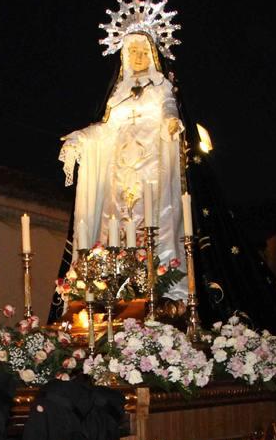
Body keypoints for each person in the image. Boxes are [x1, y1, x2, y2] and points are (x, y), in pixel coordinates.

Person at [60, 29, 185, 295]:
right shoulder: (120, 92)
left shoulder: (160, 86)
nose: (138, 56)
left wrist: (170, 121)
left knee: (151, 222)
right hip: (121, 173)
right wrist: (82, 137)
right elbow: (107, 129)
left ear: (152, 54)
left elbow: (168, 108)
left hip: (151, 169)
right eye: (132, 52)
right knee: (117, 223)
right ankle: (113, 286)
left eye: (142, 51)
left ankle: (158, 286)